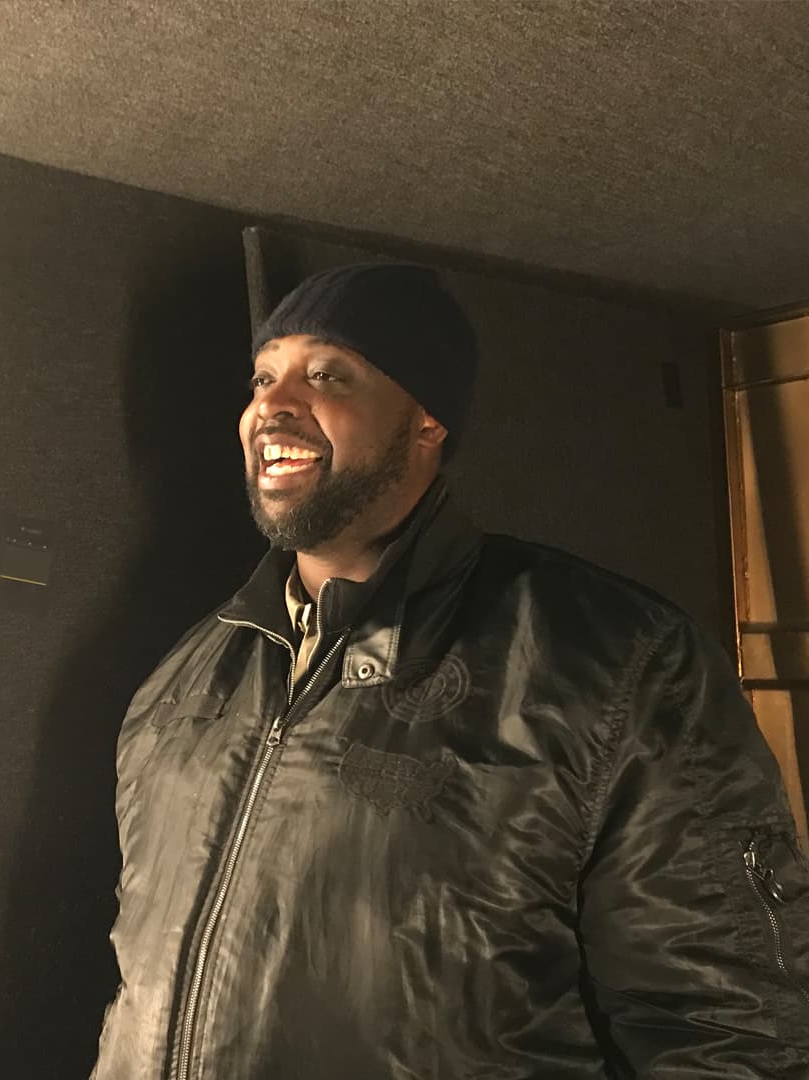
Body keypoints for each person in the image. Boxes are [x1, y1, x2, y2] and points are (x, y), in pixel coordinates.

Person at [93, 264, 809, 1077]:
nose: (273, 404)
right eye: (263, 376)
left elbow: (731, 1033)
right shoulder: (182, 683)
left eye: (327, 374)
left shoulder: (616, 665)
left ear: (426, 421)